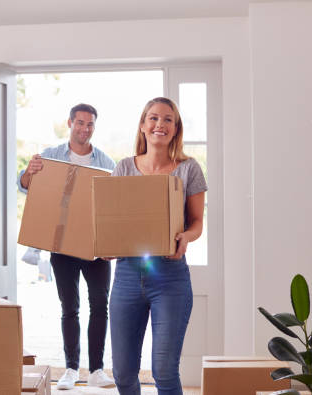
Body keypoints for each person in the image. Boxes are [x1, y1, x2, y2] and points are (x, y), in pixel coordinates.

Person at [109, 97, 207, 395]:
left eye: (167, 119)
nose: (159, 125)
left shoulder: (189, 170)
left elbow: (197, 223)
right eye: (153, 118)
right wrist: (108, 244)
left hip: (170, 277)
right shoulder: (124, 168)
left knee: (164, 371)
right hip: (127, 275)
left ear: (176, 129)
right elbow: (111, 222)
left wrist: (185, 238)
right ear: (142, 125)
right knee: (123, 373)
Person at [17, 103, 116, 389]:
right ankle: (71, 369)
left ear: (94, 127)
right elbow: (24, 185)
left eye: (90, 124)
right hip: (61, 247)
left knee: (100, 306)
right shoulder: (50, 157)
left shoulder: (107, 162)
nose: (85, 128)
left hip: (96, 248)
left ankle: (96, 370)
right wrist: (29, 170)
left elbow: (112, 208)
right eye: (80, 123)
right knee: (69, 307)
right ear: (70, 123)